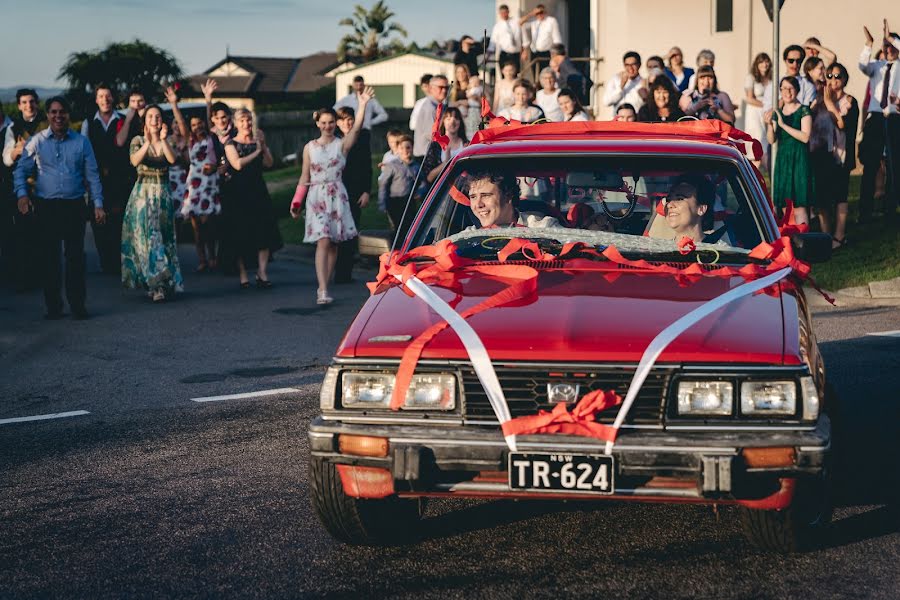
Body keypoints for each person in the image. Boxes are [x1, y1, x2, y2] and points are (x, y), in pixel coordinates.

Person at [13, 96, 105, 319]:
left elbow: (92, 175)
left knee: (75, 258)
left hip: (73, 206)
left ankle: (77, 305)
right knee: (50, 259)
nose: (58, 116)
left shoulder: (81, 142)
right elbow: (20, 171)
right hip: (47, 207)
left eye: (62, 112)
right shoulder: (37, 141)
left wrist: (98, 204)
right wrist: (23, 195)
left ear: (68, 115)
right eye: (53, 112)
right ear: (48, 115)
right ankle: (53, 306)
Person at [291, 89, 372, 305]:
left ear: (335, 123)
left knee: (334, 243)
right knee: (323, 240)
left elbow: (355, 130)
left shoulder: (341, 145)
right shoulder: (309, 148)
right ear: (318, 123)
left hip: (337, 195)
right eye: (324, 122)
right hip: (317, 195)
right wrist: (296, 202)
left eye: (331, 122)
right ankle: (323, 289)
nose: (328, 126)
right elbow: (304, 176)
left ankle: (324, 284)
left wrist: (362, 105)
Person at [121, 104, 184, 302]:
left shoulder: (168, 141)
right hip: (143, 195)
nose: (154, 120)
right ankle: (155, 285)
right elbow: (134, 161)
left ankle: (164, 282)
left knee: (163, 238)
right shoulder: (137, 140)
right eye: (150, 117)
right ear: (145, 121)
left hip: (163, 195)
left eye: (157, 116)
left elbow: (173, 160)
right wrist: (148, 142)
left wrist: (163, 140)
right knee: (147, 239)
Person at [221, 109, 281, 290]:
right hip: (238, 192)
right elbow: (237, 164)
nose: (246, 124)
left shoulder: (258, 142)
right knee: (240, 233)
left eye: (249, 120)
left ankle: (262, 272)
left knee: (263, 230)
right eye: (242, 121)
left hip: (258, 190)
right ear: (236, 123)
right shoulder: (231, 143)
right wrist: (256, 152)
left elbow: (269, 163)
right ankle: (243, 274)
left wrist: (263, 147)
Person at [81, 85, 130, 275]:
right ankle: (105, 261)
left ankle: (118, 261)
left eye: (108, 96)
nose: (105, 99)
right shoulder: (88, 123)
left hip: (119, 179)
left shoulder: (123, 120)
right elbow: (84, 152)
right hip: (97, 179)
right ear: (96, 100)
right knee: (99, 220)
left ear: (113, 98)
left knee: (118, 221)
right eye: (101, 96)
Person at [3, 89, 47, 292]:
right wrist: (18, 150)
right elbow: (7, 157)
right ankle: (26, 276)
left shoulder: (47, 123)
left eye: (31, 101)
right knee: (23, 232)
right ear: (19, 105)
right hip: (23, 185)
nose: (28, 105)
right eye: (24, 102)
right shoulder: (14, 127)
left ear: (37, 103)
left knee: (45, 233)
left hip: (46, 183)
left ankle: (45, 274)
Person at [858, 21, 900, 223]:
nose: (889, 49)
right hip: (876, 117)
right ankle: (865, 210)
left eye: (893, 46)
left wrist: (890, 37)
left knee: (893, 164)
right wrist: (869, 43)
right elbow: (862, 65)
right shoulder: (877, 66)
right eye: (887, 47)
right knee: (871, 165)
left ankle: (890, 209)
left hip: (894, 117)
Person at [820, 63, 859, 247]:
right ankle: (825, 234)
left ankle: (840, 235)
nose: (833, 80)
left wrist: (829, 105)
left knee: (841, 196)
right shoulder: (821, 99)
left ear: (844, 79)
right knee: (824, 196)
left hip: (842, 155)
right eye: (829, 76)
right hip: (823, 154)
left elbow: (843, 125)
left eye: (837, 76)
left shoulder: (850, 101)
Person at [766, 76, 813, 225]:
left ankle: (804, 240)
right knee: (786, 206)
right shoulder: (778, 112)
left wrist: (783, 125)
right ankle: (790, 239)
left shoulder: (804, 110)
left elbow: (805, 137)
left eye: (790, 88)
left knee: (799, 205)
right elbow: (771, 139)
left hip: (799, 158)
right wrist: (768, 124)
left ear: (797, 90)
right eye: (783, 88)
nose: (787, 92)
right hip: (783, 158)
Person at [334, 106, 372, 284]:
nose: (347, 122)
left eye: (350, 119)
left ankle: (345, 272)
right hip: (335, 191)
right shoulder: (333, 140)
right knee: (335, 232)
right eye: (342, 120)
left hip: (355, 190)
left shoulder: (362, 138)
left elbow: (367, 166)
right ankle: (332, 269)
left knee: (350, 230)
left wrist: (366, 191)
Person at [181, 108, 222, 272]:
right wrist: (174, 104)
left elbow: (210, 115)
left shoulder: (212, 139)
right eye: (193, 124)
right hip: (194, 187)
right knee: (196, 227)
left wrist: (208, 100)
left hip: (209, 184)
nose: (197, 126)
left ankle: (213, 257)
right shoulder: (190, 141)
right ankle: (202, 259)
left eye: (199, 123)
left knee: (209, 224)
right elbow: (182, 125)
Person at [465, 171, 558, 229]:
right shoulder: (467, 238)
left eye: (486, 195)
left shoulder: (543, 228)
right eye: (473, 197)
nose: (478, 204)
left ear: (508, 196)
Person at [378, 135, 419, 239]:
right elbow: (383, 183)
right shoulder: (392, 165)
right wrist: (382, 203)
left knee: (410, 226)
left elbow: (422, 182)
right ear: (397, 150)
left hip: (409, 201)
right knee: (398, 227)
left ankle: (409, 247)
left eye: (408, 147)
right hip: (395, 201)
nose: (405, 150)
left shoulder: (416, 166)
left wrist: (420, 192)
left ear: (412, 148)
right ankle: (397, 247)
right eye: (402, 148)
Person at [164, 86, 190, 219]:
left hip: (183, 178)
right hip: (168, 178)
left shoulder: (186, 140)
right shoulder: (166, 139)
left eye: (178, 124)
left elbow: (187, 162)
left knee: (181, 212)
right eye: (174, 123)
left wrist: (174, 104)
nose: (176, 126)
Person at [765, 45, 815, 111]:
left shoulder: (808, 86)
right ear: (785, 61)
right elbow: (766, 111)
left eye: (798, 61)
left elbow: (806, 112)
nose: (795, 64)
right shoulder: (773, 84)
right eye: (791, 61)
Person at [744, 53, 773, 162]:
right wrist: (765, 105)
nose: (764, 64)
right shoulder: (751, 77)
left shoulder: (771, 78)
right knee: (757, 137)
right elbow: (749, 98)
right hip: (754, 111)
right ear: (757, 64)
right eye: (761, 62)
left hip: (767, 111)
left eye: (766, 61)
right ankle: (755, 165)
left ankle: (766, 166)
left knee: (767, 138)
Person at [427, 106, 468, 182]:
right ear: (443, 122)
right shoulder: (435, 145)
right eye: (448, 119)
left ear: (460, 122)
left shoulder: (467, 144)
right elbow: (429, 177)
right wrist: (446, 162)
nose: (453, 121)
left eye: (456, 118)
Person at [412, 75, 449, 159]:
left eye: (446, 88)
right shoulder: (429, 108)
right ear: (431, 88)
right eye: (441, 87)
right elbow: (433, 135)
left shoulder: (439, 106)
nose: (444, 90)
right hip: (426, 155)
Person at [520, 4, 561, 69]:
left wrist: (556, 54)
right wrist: (531, 14)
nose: (539, 15)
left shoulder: (551, 21)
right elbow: (520, 22)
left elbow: (557, 38)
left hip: (547, 52)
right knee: (535, 74)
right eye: (537, 13)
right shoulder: (533, 21)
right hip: (534, 52)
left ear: (545, 12)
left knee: (546, 73)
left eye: (541, 12)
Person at [488, 4, 522, 72]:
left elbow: (523, 37)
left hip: (515, 54)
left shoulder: (516, 21)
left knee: (515, 74)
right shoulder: (497, 26)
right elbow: (493, 42)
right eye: (501, 13)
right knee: (504, 73)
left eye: (505, 12)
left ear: (508, 12)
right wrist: (488, 55)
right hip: (504, 54)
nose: (503, 14)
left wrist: (524, 50)